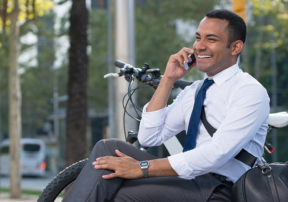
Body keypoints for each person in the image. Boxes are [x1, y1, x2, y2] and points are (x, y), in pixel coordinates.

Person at [62, 9, 270, 202]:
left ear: (235, 47)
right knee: (108, 148)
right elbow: (149, 137)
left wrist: (141, 168)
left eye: (211, 39)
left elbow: (216, 154)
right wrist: (168, 79)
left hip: (221, 188)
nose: (200, 46)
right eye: (198, 38)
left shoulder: (249, 91)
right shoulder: (195, 91)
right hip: (189, 181)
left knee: (119, 195)